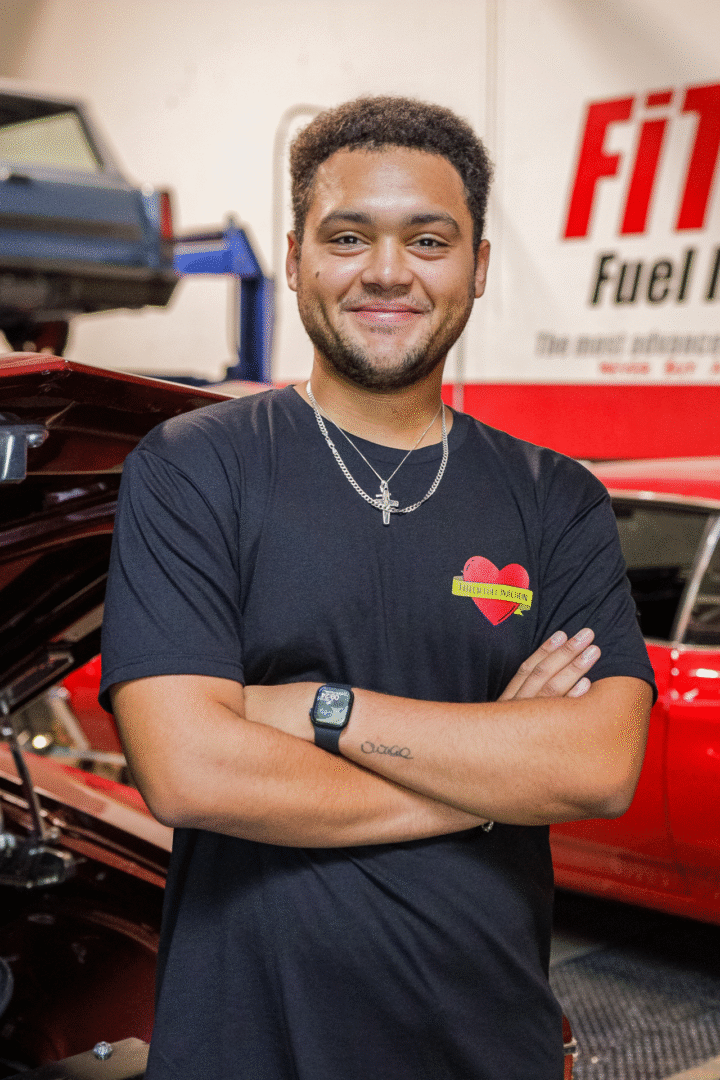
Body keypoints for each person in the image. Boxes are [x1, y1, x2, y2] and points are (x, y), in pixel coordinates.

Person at [100, 96, 655, 1080]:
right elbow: (190, 771)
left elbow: (598, 766)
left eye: (429, 239)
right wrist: (488, 790)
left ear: (478, 266)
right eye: (348, 236)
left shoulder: (558, 502)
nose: (388, 271)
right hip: (247, 1050)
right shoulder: (196, 470)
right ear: (299, 255)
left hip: (488, 1047)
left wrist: (321, 710)